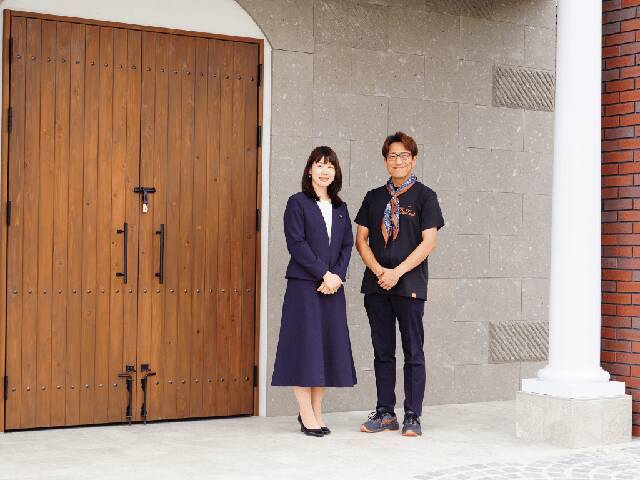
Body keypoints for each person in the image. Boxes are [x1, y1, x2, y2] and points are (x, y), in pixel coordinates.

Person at [354, 131, 444, 437]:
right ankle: (385, 413)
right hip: (376, 285)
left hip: (410, 286)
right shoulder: (373, 197)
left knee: (413, 352)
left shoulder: (425, 197)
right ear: (385, 161)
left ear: (413, 160)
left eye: (404, 155)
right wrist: (379, 270)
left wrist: (398, 272)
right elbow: (361, 239)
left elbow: (428, 241)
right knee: (382, 352)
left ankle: (412, 416)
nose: (398, 161)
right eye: (392, 156)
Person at [271, 146, 357, 437]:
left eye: (330, 166)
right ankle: (305, 413)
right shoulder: (297, 203)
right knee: (304, 347)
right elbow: (296, 243)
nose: (324, 171)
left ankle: (317, 411)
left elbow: (347, 246)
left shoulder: (341, 208)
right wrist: (324, 273)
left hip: (332, 288)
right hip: (305, 287)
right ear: (309, 170)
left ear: (336, 172)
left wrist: (337, 277)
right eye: (319, 165)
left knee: (325, 349)